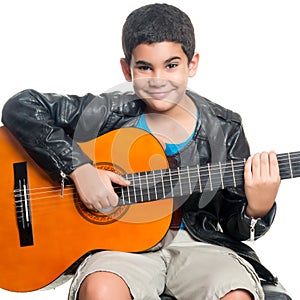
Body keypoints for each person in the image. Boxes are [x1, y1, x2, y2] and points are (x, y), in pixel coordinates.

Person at [1, 3, 281, 300]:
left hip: (199, 246)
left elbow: (233, 225)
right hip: (120, 248)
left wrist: (257, 209)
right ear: (127, 69)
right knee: (101, 290)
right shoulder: (107, 112)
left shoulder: (225, 129)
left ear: (192, 64)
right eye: (145, 67)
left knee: (235, 294)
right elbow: (22, 107)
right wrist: (78, 168)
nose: (158, 79)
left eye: (171, 65)